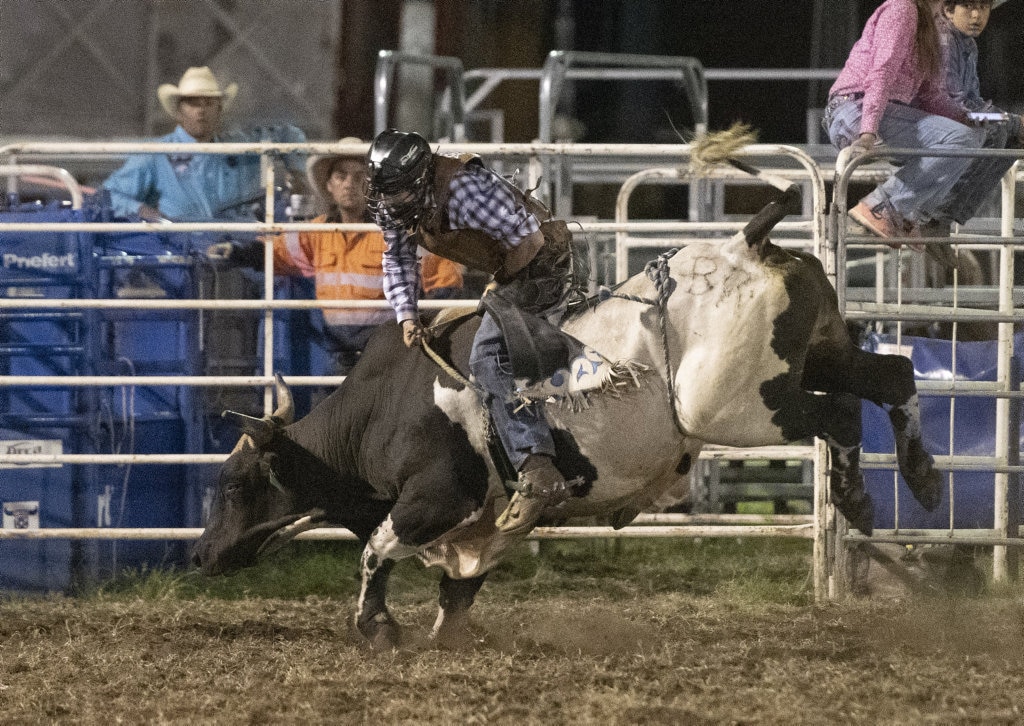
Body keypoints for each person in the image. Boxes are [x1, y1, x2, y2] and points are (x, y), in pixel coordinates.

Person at [366, 129, 580, 536]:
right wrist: (407, 315)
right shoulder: (398, 207)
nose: (385, 201)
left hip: (541, 263)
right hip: (507, 265)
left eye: (393, 192)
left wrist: (498, 288)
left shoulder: (463, 190)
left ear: (417, 181)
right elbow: (397, 259)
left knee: (487, 356)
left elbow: (529, 240)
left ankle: (536, 466)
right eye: (381, 190)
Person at [209, 138, 463, 380]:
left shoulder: (399, 230)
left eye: (359, 176)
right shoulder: (316, 232)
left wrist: (429, 331)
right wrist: (237, 252)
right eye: (341, 176)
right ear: (330, 185)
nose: (349, 184)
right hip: (338, 355)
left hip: (391, 352)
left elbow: (443, 278)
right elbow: (276, 251)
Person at [823, 0, 992, 242]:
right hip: (854, 111)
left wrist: (969, 117)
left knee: (975, 136)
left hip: (883, 115)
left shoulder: (932, 25)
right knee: (961, 139)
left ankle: (909, 216)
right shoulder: (902, 9)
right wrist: (868, 132)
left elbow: (930, 96)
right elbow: (882, 72)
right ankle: (881, 206)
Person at [102, 66, 307, 222]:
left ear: (218, 110)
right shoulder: (156, 153)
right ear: (179, 111)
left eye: (208, 103)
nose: (201, 110)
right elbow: (109, 196)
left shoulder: (241, 146)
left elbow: (290, 134)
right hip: (182, 252)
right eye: (193, 103)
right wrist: (143, 211)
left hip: (240, 252)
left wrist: (298, 173)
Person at [934, 0, 1023, 228]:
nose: (976, 16)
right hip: (934, 118)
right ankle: (940, 214)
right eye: (968, 7)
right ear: (948, 10)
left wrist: (1013, 123)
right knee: (997, 128)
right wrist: (1012, 121)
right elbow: (955, 105)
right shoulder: (943, 41)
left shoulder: (967, 45)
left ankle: (948, 215)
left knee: (1014, 137)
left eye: (983, 8)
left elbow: (973, 102)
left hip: (953, 116)